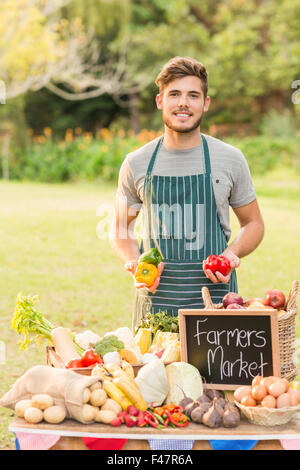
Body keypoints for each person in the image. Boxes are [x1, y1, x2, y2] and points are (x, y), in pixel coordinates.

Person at [110, 56, 265, 451]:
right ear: (159, 100)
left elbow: (253, 224)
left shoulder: (230, 158)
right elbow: (121, 229)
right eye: (175, 94)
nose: (184, 103)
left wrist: (229, 257)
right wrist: (135, 265)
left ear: (206, 104)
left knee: (222, 417)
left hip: (216, 311)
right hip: (157, 307)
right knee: (163, 420)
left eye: (193, 95)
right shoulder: (137, 162)